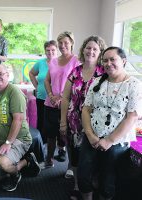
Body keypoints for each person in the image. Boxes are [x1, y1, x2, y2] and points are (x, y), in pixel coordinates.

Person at [78, 46, 142, 200]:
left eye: (112, 59)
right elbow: (86, 109)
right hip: (92, 137)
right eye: (105, 60)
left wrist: (109, 141)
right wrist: (90, 135)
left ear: (124, 61)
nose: (108, 63)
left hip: (116, 142)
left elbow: (132, 117)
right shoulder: (97, 81)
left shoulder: (134, 84)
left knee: (108, 181)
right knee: (83, 175)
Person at [0, 64, 40, 192]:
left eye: (1, 74)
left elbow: (18, 119)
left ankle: (17, 173)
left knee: (3, 163)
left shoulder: (14, 92)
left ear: (7, 75)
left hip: (19, 139)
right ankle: (28, 160)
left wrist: (8, 143)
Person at [60, 36, 106, 200]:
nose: (91, 51)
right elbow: (65, 97)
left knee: (92, 156)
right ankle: (78, 185)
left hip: (96, 124)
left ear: (100, 52)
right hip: (74, 121)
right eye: (88, 48)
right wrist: (63, 122)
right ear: (83, 49)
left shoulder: (104, 73)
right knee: (76, 153)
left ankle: (91, 184)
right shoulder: (76, 71)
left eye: (95, 49)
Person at [42, 31, 80, 169]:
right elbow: (47, 80)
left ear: (71, 44)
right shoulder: (53, 61)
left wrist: (62, 97)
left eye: (66, 42)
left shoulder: (76, 60)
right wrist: (51, 96)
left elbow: (77, 82)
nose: (62, 45)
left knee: (67, 136)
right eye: (60, 43)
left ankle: (71, 166)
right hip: (50, 104)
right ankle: (49, 160)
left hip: (67, 104)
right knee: (51, 135)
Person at [29, 40, 58, 143]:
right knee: (41, 122)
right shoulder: (41, 63)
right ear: (45, 51)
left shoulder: (60, 63)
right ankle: (41, 146)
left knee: (55, 125)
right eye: (48, 50)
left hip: (56, 100)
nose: (50, 52)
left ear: (57, 50)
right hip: (41, 97)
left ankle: (60, 149)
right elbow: (31, 73)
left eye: (53, 50)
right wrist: (36, 86)